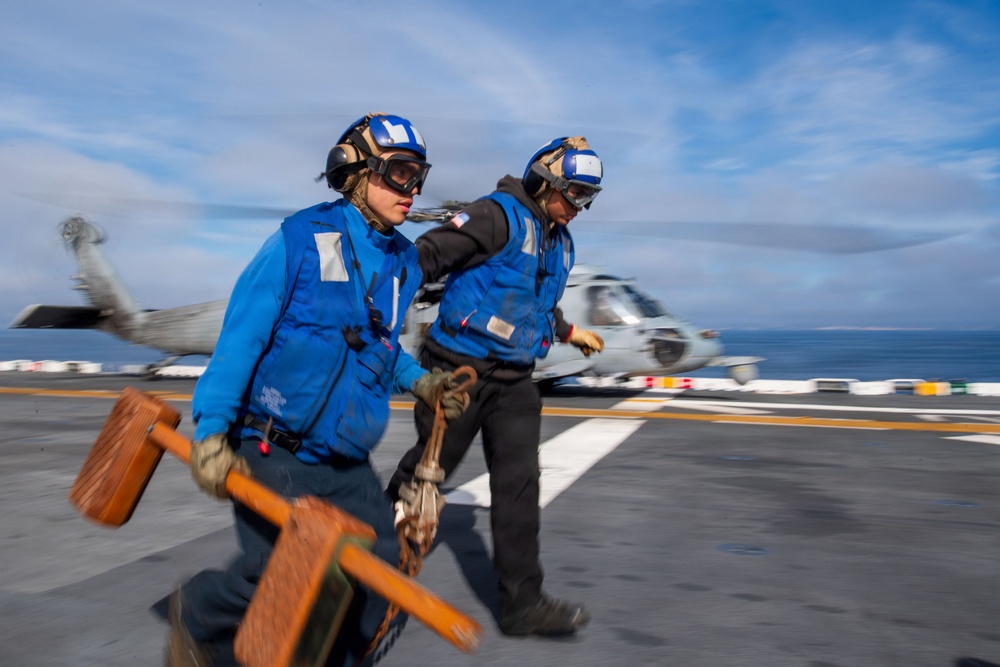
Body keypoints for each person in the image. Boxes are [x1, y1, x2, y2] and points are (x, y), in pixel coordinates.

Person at [164, 112, 466, 667]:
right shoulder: (297, 239)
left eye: (419, 175)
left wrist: (421, 382)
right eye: (400, 172)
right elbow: (241, 339)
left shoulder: (402, 263)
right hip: (271, 445)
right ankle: (200, 614)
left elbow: (380, 345)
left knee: (373, 579)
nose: (414, 189)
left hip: (346, 459)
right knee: (282, 577)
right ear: (356, 171)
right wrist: (210, 432)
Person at [386, 136, 606, 637]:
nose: (579, 207)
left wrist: (569, 331)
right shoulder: (495, 216)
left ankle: (522, 604)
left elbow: (534, 303)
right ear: (544, 181)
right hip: (458, 372)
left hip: (515, 381)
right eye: (573, 193)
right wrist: (383, 324)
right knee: (423, 478)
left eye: (587, 197)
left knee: (520, 489)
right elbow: (423, 259)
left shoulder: (559, 240)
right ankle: (362, 571)